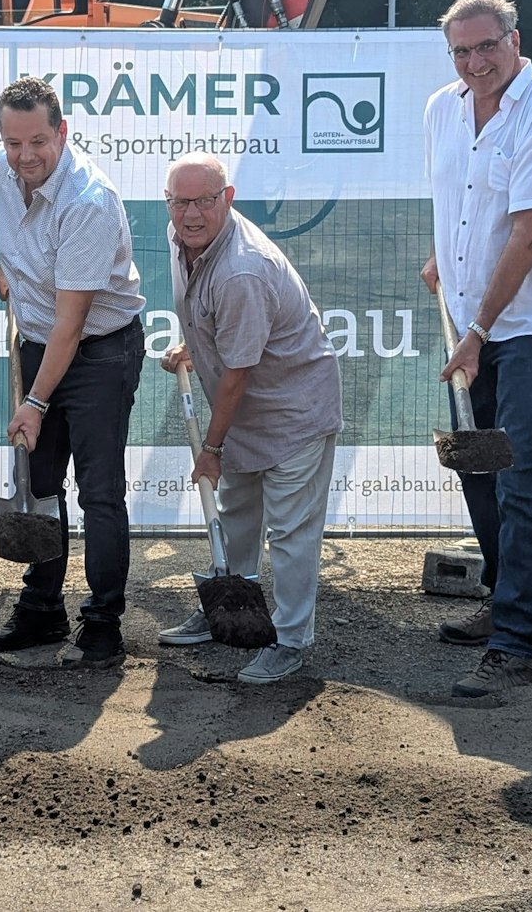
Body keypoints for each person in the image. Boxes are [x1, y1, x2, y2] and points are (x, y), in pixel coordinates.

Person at [421, 0, 532, 697]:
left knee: (520, 471)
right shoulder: (442, 108)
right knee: (477, 465)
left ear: (514, 40)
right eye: (461, 51)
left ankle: (521, 642)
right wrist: (442, 259)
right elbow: (456, 204)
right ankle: (502, 601)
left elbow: (528, 232)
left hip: (531, 325)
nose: (474, 62)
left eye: (486, 46)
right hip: (472, 321)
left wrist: (480, 329)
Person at [156, 154, 342, 684]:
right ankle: (226, 608)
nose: (191, 214)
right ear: (168, 203)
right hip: (246, 406)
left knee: (289, 530)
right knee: (235, 510)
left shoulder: (242, 268)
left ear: (228, 198)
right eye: (180, 201)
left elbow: (238, 374)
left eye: (204, 201)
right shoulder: (183, 240)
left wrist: (211, 450)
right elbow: (216, 324)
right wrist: (196, 344)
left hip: (293, 411)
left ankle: (289, 639)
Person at [0, 77, 147, 667]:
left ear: (63, 133)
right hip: (37, 342)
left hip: (99, 353)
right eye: (12, 142)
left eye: (38, 142)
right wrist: (13, 273)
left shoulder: (88, 202)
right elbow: (20, 244)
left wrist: (36, 401)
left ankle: (103, 623)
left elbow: (71, 327)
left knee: (99, 493)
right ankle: (42, 610)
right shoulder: (5, 173)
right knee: (41, 485)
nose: (25, 157)